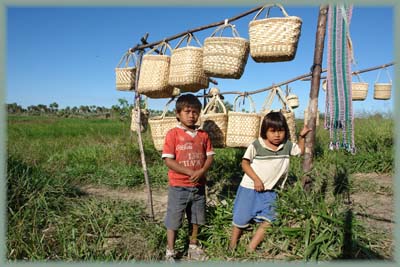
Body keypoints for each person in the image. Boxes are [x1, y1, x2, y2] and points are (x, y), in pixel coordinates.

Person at [229, 111, 312, 252]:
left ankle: (250, 249)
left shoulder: (286, 145)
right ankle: (231, 246)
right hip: (250, 188)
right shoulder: (257, 145)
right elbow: (244, 163)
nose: (277, 135)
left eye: (281, 131)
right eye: (272, 131)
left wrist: (301, 136)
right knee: (240, 219)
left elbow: (300, 151)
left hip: (272, 190)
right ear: (264, 131)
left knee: (269, 220)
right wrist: (256, 179)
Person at [162, 94, 215, 262]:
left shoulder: (203, 135)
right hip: (179, 186)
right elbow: (168, 160)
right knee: (174, 218)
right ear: (178, 114)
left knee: (197, 217)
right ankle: (170, 250)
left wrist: (202, 171)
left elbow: (210, 157)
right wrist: (189, 172)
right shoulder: (173, 134)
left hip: (198, 185)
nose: (192, 115)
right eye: (187, 111)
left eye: (195, 112)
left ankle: (193, 245)